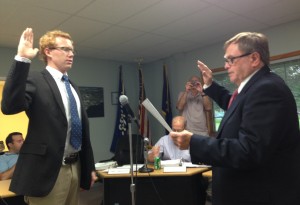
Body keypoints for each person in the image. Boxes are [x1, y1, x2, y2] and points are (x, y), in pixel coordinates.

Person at [170, 32, 300, 205]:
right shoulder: (255, 87)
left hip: (256, 195)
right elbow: (235, 105)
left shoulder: (267, 89)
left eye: (231, 60)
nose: (226, 66)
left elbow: (248, 150)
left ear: (254, 58)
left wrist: (194, 142)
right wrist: (209, 85)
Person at [1, 28, 97, 205]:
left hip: (75, 166)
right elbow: (9, 106)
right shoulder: (35, 79)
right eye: (65, 49)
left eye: (72, 50)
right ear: (48, 52)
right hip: (46, 171)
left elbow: (82, 131)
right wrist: (22, 58)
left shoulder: (73, 86)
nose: (71, 54)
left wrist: (88, 167)